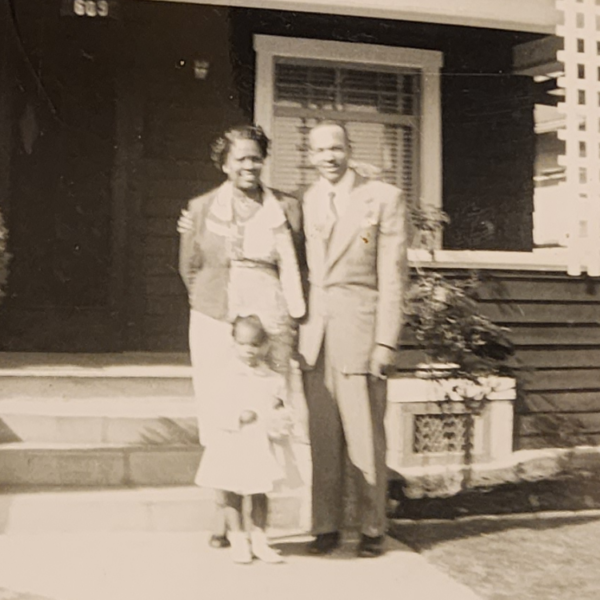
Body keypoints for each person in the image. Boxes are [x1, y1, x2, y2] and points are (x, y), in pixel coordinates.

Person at [178, 124, 306, 548]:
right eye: (240, 158)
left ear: (263, 160)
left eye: (255, 157)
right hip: (215, 320)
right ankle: (224, 519)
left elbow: (296, 264)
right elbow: (189, 267)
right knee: (221, 413)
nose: (248, 165)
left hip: (269, 319)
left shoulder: (286, 206)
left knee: (266, 410)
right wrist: (213, 305)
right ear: (224, 163)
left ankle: (260, 528)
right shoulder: (200, 208)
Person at [298, 121, 408, 558]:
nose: (329, 157)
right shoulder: (308, 200)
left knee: (365, 437)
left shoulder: (383, 198)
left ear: (349, 149)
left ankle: (371, 527)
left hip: (361, 332)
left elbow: (393, 276)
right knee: (322, 435)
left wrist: (386, 342)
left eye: (336, 148)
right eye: (321, 150)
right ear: (310, 156)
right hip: (316, 336)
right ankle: (324, 525)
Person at [196, 314, 291, 564]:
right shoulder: (224, 376)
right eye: (243, 344)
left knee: (260, 493)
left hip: (259, 446)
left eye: (255, 344)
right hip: (232, 444)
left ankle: (260, 539)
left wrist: (278, 414)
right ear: (234, 344)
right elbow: (213, 409)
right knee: (232, 493)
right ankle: (238, 538)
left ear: (265, 346)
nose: (249, 350)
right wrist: (237, 416)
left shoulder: (272, 378)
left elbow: (281, 409)